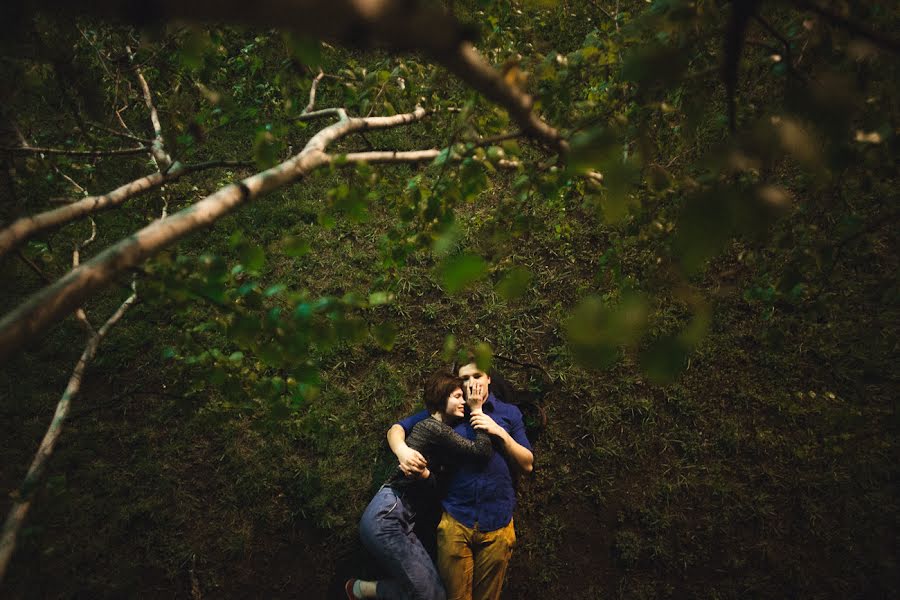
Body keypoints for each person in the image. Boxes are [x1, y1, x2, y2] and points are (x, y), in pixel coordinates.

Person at [387, 361, 534, 600]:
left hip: (498, 521)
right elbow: (397, 428)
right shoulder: (453, 408)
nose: (472, 383)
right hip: (456, 518)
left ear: (489, 379)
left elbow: (527, 464)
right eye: (465, 379)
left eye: (477, 376)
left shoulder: (508, 413)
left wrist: (499, 431)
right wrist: (402, 451)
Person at [347, 373, 493, 600]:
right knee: (432, 596)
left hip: (399, 520)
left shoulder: (438, 433)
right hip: (386, 517)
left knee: (434, 594)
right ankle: (359, 590)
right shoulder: (433, 428)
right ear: (442, 397)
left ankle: (360, 590)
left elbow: (433, 488)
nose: (463, 401)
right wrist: (477, 411)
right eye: (457, 396)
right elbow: (481, 452)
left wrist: (425, 475)